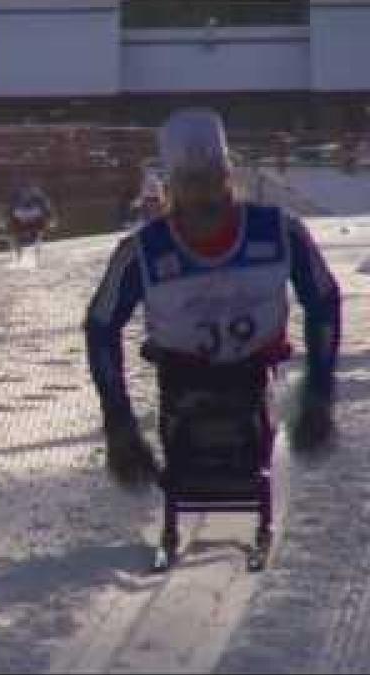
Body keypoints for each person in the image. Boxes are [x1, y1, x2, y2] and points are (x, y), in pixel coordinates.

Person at [84, 108, 340, 557]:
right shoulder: (143, 252)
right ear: (172, 188)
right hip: (182, 386)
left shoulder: (280, 233)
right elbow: (101, 325)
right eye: (192, 183)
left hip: (253, 381)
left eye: (213, 180)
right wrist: (118, 422)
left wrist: (319, 388)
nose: (205, 196)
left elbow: (324, 300)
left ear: (229, 175)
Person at [6, 181, 55, 260]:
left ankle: (36, 257)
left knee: (38, 235)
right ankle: (19, 256)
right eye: (24, 191)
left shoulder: (38, 196)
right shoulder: (16, 197)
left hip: (33, 218)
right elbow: (11, 212)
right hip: (22, 219)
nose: (26, 194)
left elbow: (47, 208)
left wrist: (50, 219)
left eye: (27, 191)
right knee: (14, 235)